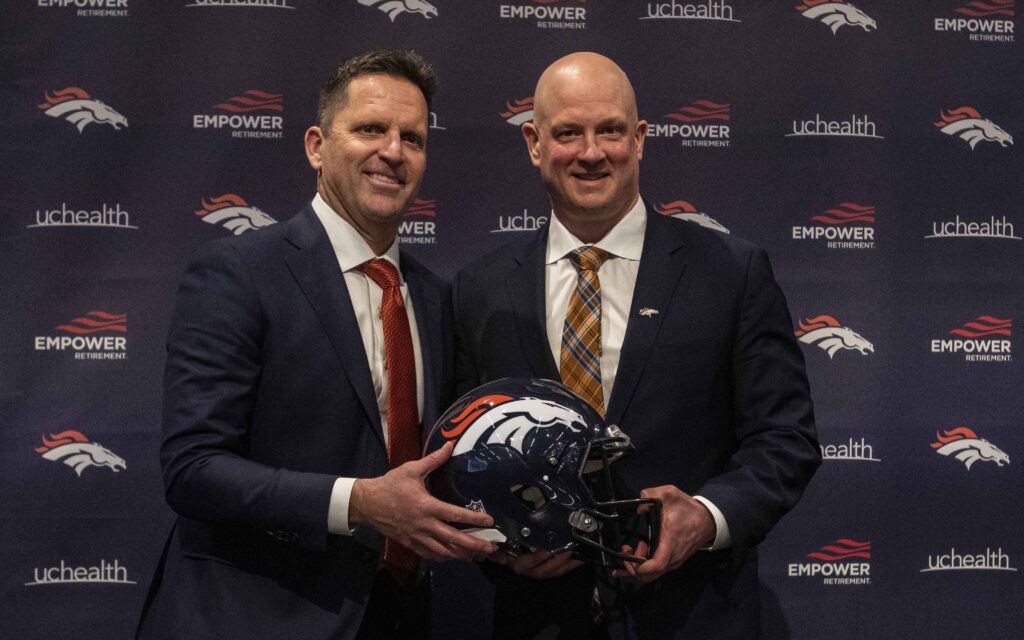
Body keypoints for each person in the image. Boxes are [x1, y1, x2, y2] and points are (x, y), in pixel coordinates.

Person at [453, 52, 820, 639]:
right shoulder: (479, 289)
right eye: (568, 132)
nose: (592, 152)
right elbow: (464, 457)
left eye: (611, 131)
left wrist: (704, 518)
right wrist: (499, 545)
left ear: (641, 138)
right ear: (534, 142)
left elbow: (786, 439)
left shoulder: (731, 272)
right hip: (537, 620)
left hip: (694, 618)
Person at [136, 50, 495, 640]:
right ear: (316, 146)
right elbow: (193, 469)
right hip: (254, 617)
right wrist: (359, 503)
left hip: (398, 615)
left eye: (413, 137)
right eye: (370, 129)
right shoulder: (239, 273)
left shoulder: (432, 296)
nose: (393, 152)